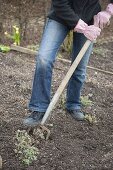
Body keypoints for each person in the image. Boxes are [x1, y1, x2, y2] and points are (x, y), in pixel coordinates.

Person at [23, 0, 113, 126]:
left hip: (89, 17)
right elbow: (59, 4)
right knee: (44, 58)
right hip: (61, 14)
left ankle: (73, 104)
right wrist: (81, 26)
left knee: (80, 66)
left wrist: (108, 11)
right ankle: (39, 108)